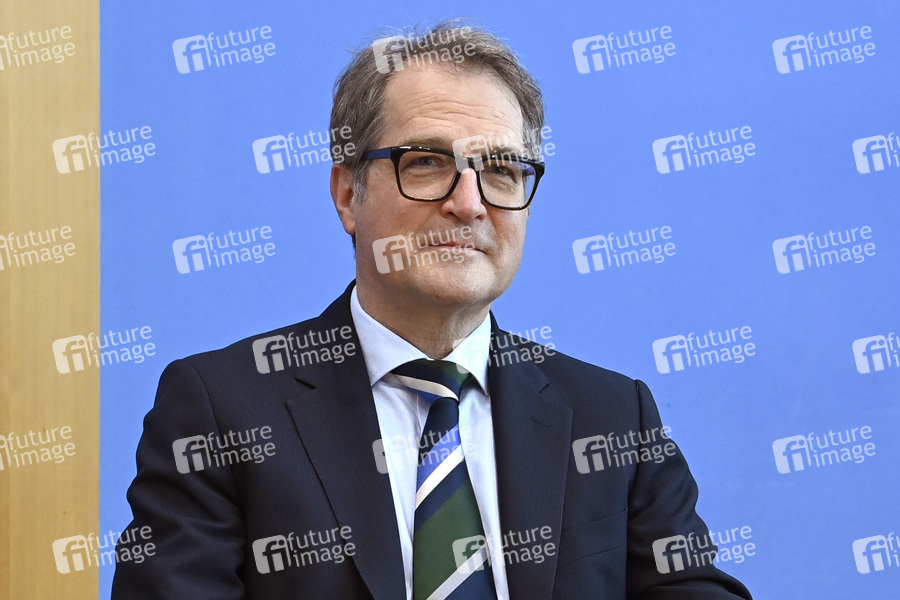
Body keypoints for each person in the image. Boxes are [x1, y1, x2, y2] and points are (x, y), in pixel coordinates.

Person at [112, 21, 753, 599]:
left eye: (501, 170)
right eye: (426, 162)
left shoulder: (612, 416)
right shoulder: (221, 409)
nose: (469, 204)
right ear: (348, 194)